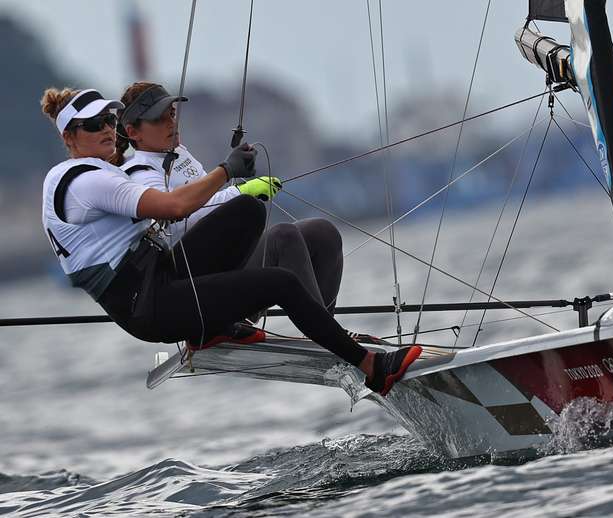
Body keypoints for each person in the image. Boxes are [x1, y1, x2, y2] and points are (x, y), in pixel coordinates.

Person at [40, 86, 421, 396]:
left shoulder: (84, 175)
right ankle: (372, 369)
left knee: (250, 211)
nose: (107, 129)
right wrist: (227, 172)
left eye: (109, 119)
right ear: (70, 137)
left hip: (158, 278)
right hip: (149, 303)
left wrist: (235, 188)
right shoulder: (87, 179)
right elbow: (173, 209)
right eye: (94, 125)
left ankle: (227, 327)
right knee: (281, 281)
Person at [111, 81, 344, 318]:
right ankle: (329, 339)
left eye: (171, 114)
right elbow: (178, 221)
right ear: (133, 132)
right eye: (159, 119)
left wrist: (238, 182)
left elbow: (210, 201)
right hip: (198, 284)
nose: (172, 123)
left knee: (322, 232)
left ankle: (325, 332)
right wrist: (242, 191)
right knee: (283, 237)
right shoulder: (139, 175)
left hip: (231, 259)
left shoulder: (179, 154)